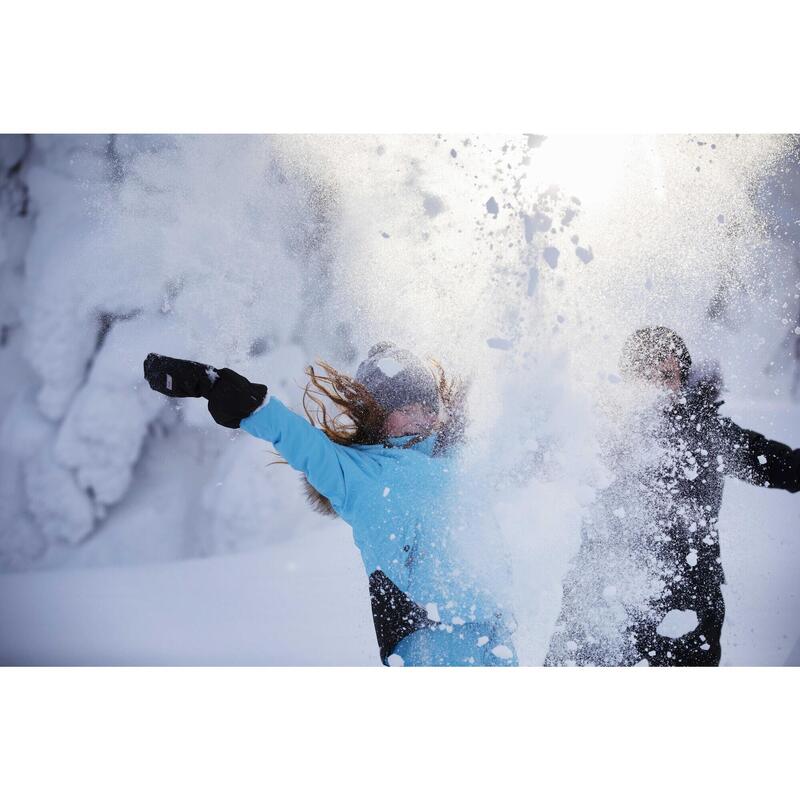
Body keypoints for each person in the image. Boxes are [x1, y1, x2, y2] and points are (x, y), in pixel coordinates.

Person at [143, 343, 517, 666]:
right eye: (406, 406)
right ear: (378, 415)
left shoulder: (457, 460)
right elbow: (291, 434)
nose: (422, 416)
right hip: (424, 637)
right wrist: (215, 385)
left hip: (494, 631)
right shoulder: (355, 473)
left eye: (427, 405)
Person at [545, 327, 800, 667]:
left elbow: (781, 466)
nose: (655, 387)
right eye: (643, 376)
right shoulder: (595, 432)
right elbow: (535, 462)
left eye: (666, 376)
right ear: (625, 379)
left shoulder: (708, 433)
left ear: (682, 380)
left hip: (686, 613)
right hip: (601, 606)